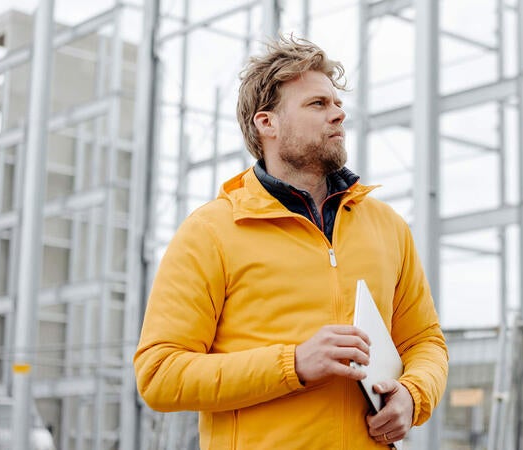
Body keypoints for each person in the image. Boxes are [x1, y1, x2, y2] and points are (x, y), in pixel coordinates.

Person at [133, 35, 448, 449]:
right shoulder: (210, 232)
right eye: (318, 104)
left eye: (336, 104)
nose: (338, 114)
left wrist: (413, 394)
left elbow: (425, 342)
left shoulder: (388, 226)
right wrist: (293, 364)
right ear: (268, 124)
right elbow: (159, 374)